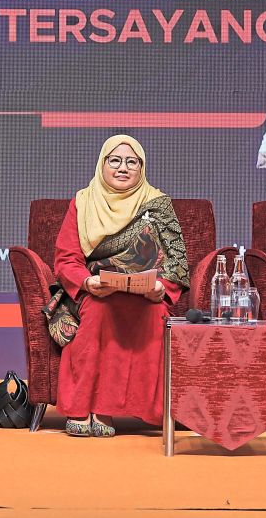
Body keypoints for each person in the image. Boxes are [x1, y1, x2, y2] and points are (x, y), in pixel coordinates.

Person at [52, 134, 188, 437]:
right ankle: (81, 407)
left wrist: (161, 289)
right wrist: (87, 281)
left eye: (131, 162)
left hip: (145, 294)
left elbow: (177, 262)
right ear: (103, 164)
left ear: (142, 167)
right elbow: (66, 259)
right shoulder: (83, 202)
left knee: (152, 315)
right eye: (115, 160)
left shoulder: (158, 204)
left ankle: (107, 409)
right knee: (101, 309)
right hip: (94, 290)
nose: (123, 168)